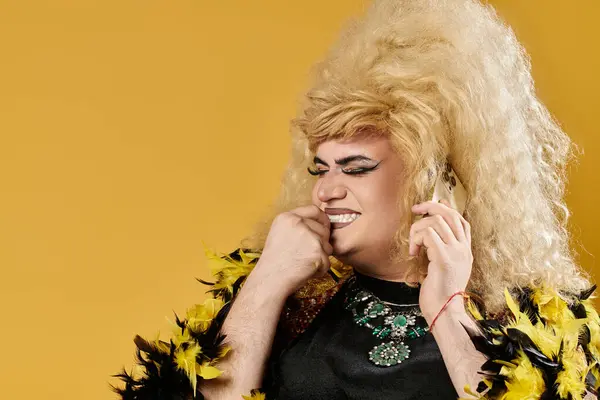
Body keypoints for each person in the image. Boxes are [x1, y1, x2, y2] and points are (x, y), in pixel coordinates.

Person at [112, 0, 600, 399]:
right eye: (320, 168)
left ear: (432, 180)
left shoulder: (535, 319)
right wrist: (263, 287)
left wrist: (448, 311)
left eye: (357, 168)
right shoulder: (289, 295)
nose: (326, 190)